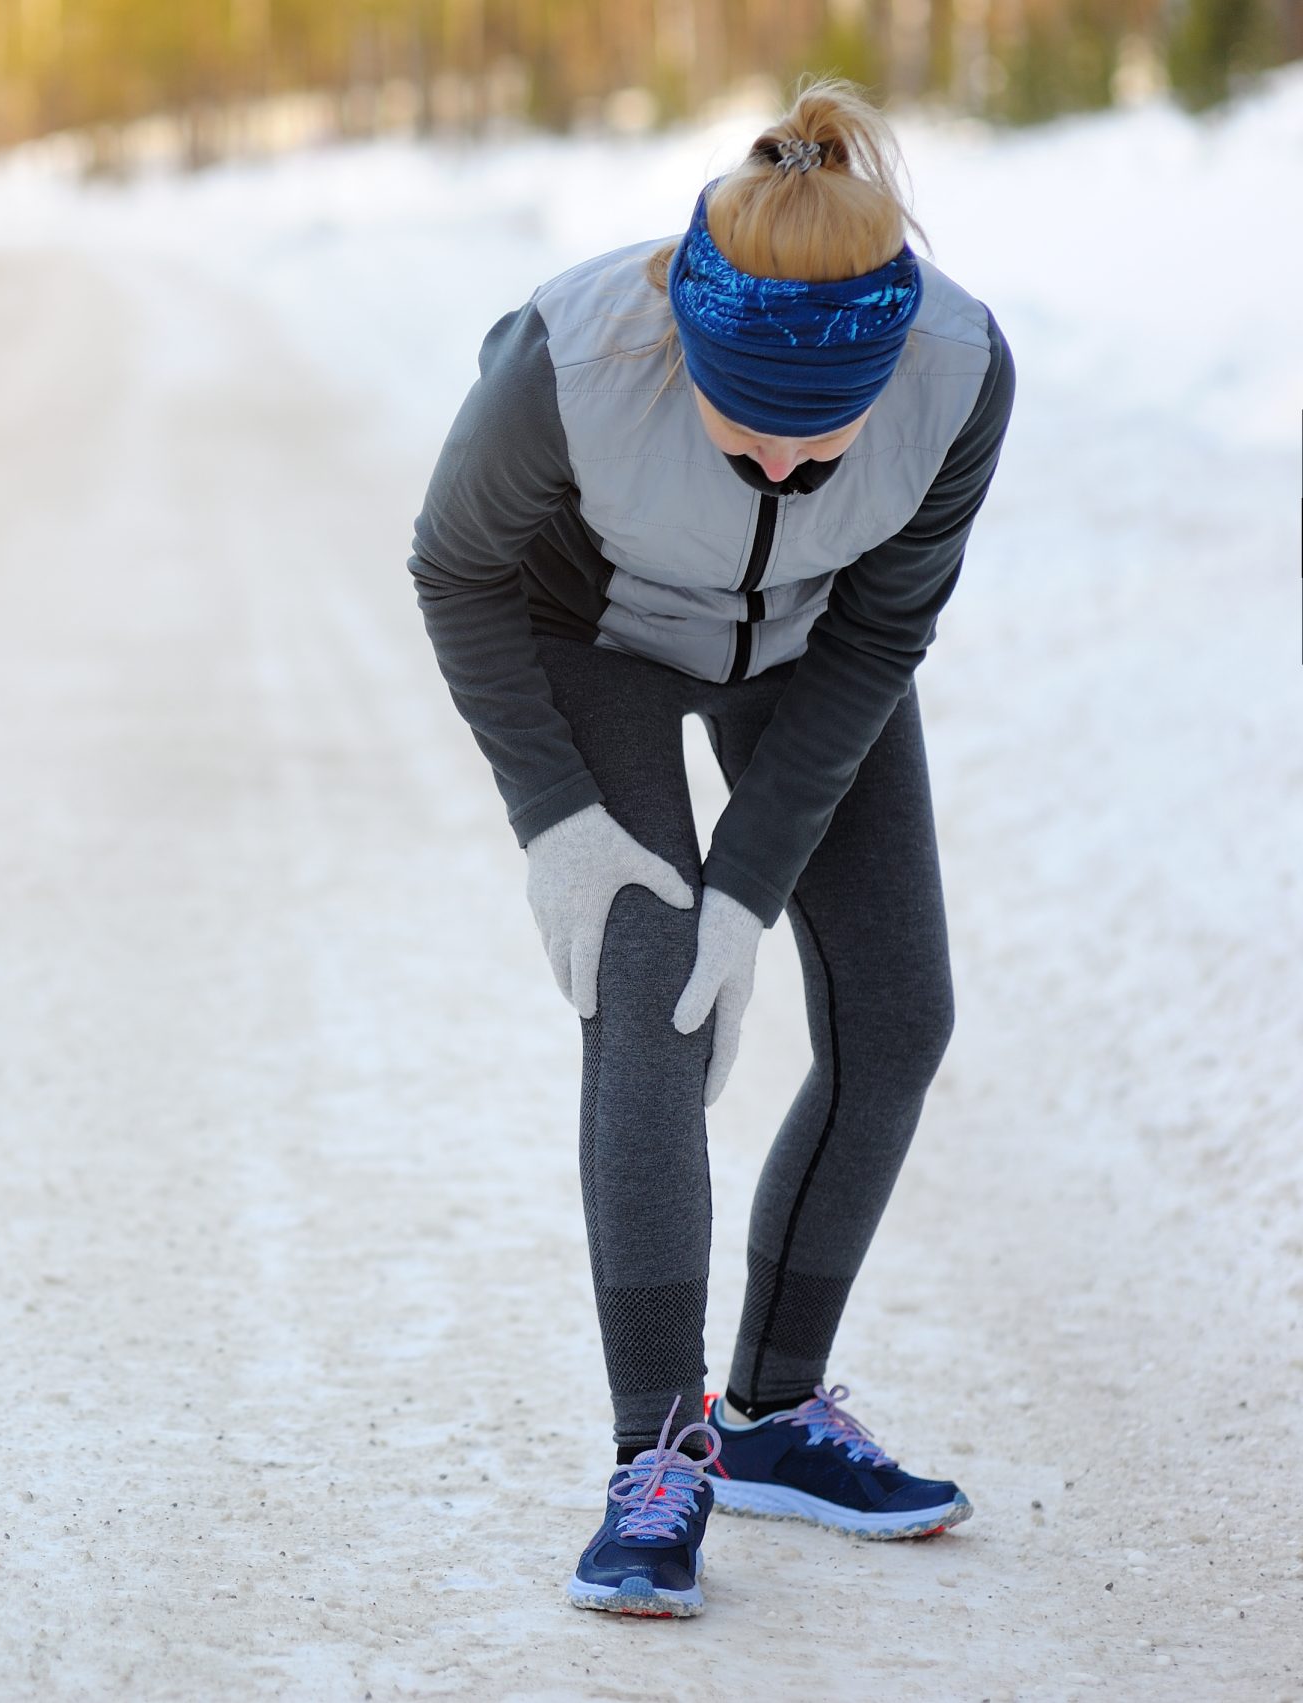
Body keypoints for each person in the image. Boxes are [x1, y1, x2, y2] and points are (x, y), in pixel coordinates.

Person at [404, 76, 1017, 1618]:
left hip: (812, 656)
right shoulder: (573, 359)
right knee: (653, 997)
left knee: (899, 1020)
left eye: (826, 451)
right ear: (685, 349)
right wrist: (557, 823)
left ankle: (773, 1415)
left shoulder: (959, 374)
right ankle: (656, 1453)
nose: (789, 475)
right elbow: (455, 570)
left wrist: (754, 880)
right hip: (588, 635)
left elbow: (884, 632)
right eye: (754, 440)